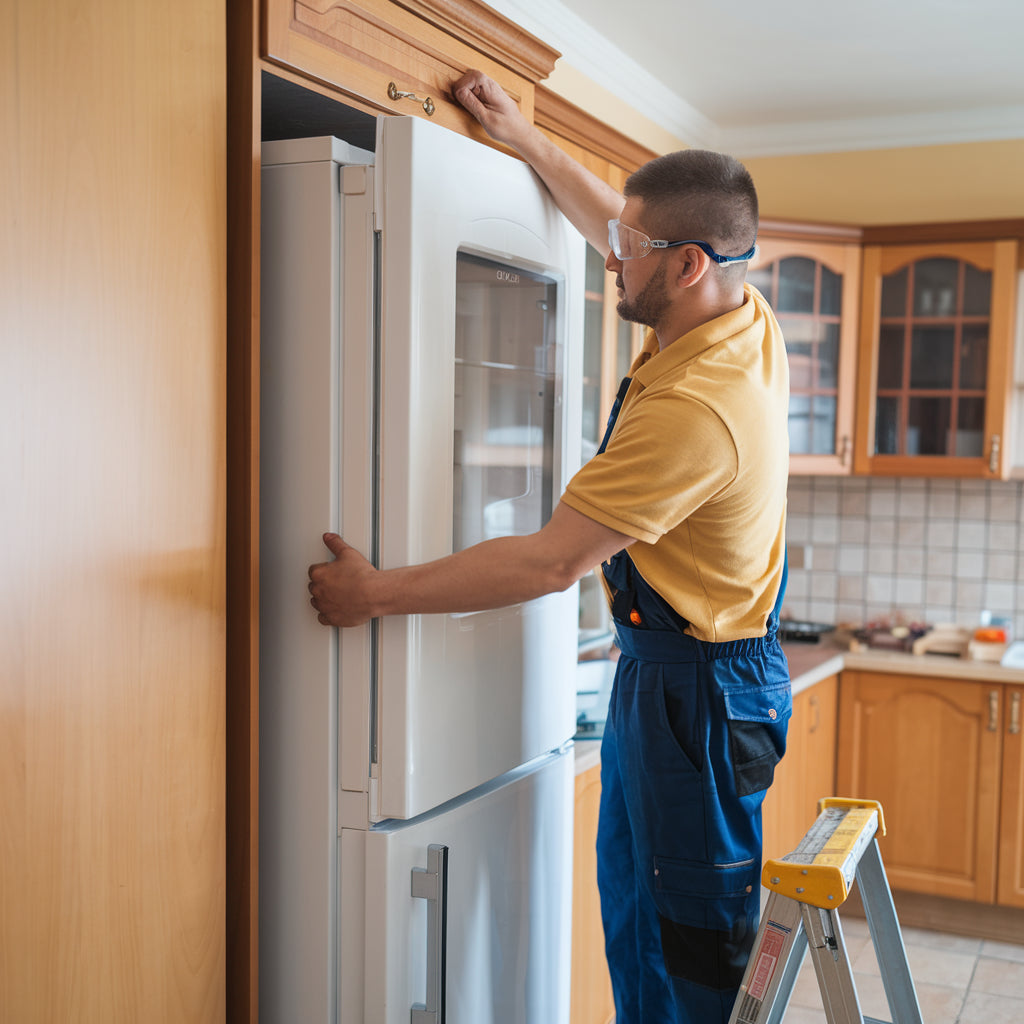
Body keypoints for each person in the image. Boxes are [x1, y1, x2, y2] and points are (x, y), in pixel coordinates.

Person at [308, 69, 791, 1024]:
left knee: (679, 955)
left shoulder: (699, 408)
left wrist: (375, 593)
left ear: (687, 265)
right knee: (640, 921)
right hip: (677, 678)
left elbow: (546, 563)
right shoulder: (731, 312)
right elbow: (628, 219)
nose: (612, 258)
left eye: (627, 250)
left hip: (695, 698)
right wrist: (530, 144)